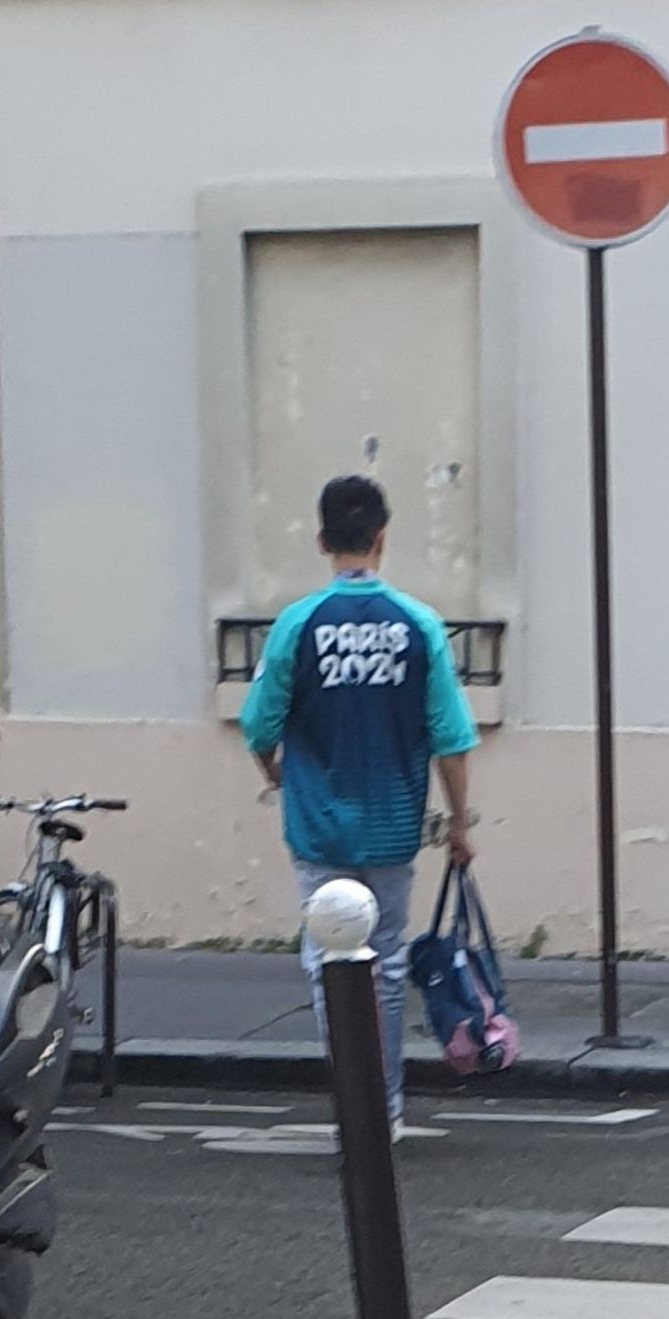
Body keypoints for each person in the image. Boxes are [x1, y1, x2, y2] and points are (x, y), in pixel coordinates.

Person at [241, 474, 479, 1135]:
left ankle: (353, 1102)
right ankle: (387, 1106)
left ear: (322, 540)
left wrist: (279, 772)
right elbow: (451, 739)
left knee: (329, 967)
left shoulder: (296, 625)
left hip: (318, 827)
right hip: (393, 825)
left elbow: (259, 724)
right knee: (387, 964)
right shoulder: (419, 625)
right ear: (381, 537)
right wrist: (460, 823)